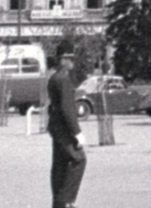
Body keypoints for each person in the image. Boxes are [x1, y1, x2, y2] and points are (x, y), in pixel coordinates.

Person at [47, 39, 87, 208]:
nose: (73, 61)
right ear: (62, 59)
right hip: (64, 128)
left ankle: (58, 202)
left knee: (60, 165)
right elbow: (67, 107)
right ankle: (65, 201)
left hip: (56, 126)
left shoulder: (54, 77)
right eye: (70, 58)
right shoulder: (63, 79)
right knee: (79, 160)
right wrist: (77, 132)